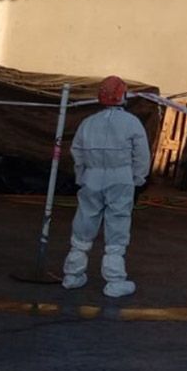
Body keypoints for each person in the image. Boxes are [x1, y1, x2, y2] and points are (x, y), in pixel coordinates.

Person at [61, 75, 151, 296]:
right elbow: (142, 155)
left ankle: (73, 274)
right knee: (117, 224)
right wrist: (138, 178)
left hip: (91, 178)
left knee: (84, 221)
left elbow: (78, 152)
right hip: (120, 178)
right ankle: (114, 279)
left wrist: (81, 175)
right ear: (123, 95)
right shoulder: (131, 123)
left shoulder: (88, 123)